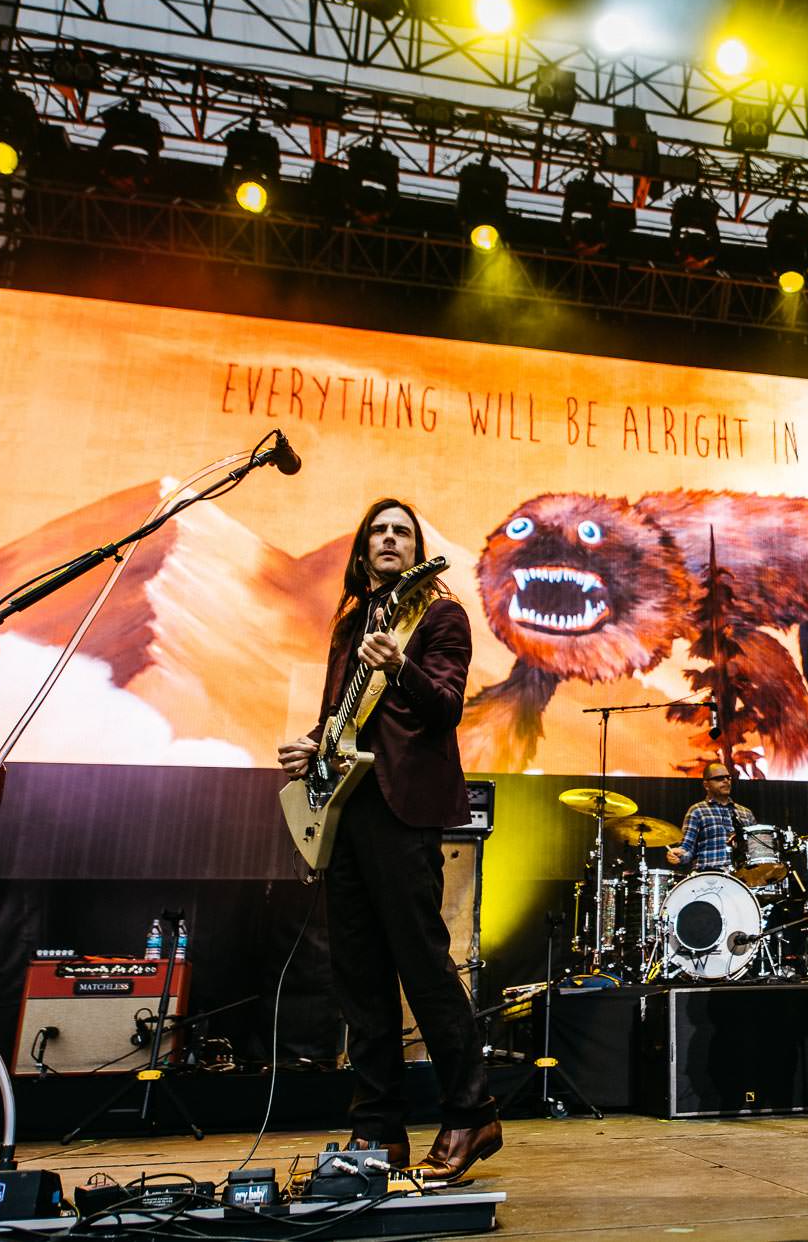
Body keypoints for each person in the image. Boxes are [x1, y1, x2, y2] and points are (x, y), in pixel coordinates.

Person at [277, 498, 501, 1180]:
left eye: (402, 532)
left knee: (423, 966)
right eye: (379, 530)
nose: (390, 539)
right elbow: (340, 719)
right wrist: (311, 749)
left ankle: (471, 1114)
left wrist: (401, 664)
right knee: (359, 977)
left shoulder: (440, 616)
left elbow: (445, 706)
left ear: (416, 549)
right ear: (362, 549)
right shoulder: (350, 624)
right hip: (346, 808)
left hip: (404, 810)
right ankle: (379, 1130)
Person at [665, 761, 749, 873]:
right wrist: (678, 855)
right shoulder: (697, 811)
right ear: (706, 785)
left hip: (741, 878)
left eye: (728, 777)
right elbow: (687, 848)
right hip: (707, 877)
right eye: (719, 778)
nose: (726, 781)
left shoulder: (746, 813)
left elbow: (754, 850)